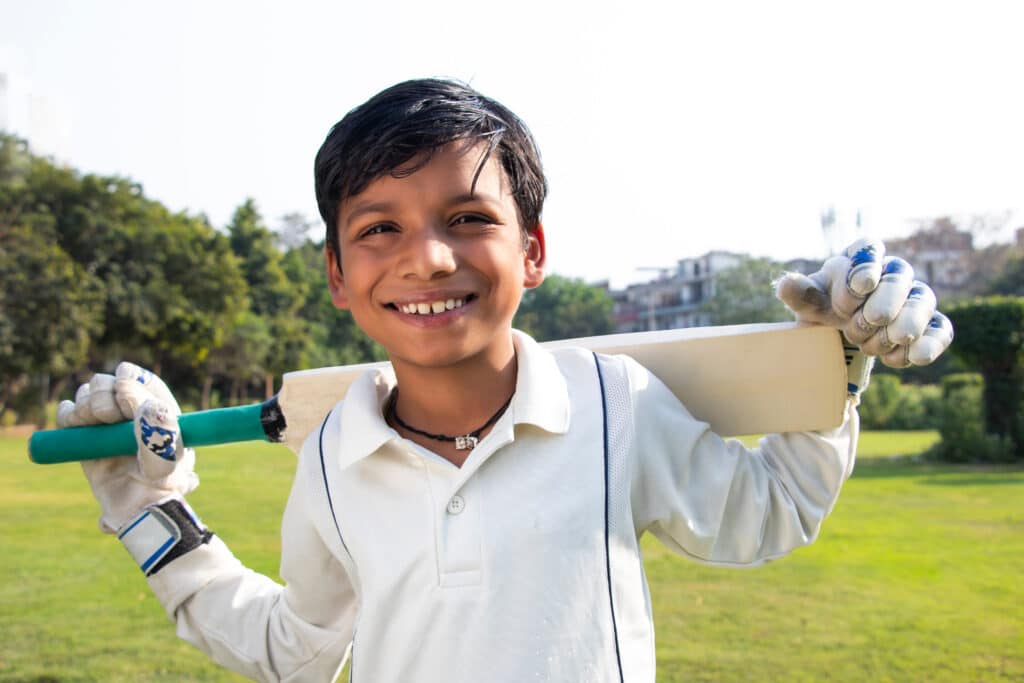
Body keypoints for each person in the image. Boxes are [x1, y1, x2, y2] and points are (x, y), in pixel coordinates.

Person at [58, 78, 954, 682]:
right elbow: (297, 647)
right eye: (379, 229)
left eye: (467, 216)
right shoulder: (330, 456)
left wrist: (835, 363)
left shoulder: (613, 405)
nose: (429, 258)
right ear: (336, 273)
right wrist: (153, 516)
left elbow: (770, 512)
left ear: (531, 251)